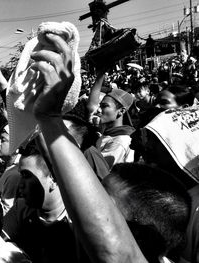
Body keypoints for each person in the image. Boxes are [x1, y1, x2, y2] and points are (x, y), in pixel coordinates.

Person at [25, 31, 190, 262]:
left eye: (106, 204)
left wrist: (49, 118)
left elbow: (114, 251)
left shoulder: (121, 141)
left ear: (141, 235)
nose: (91, 202)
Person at [87, 71, 135, 168]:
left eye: (104, 106)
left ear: (121, 111)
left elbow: (99, 171)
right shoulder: (110, 134)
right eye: (100, 105)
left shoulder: (119, 142)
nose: (99, 110)